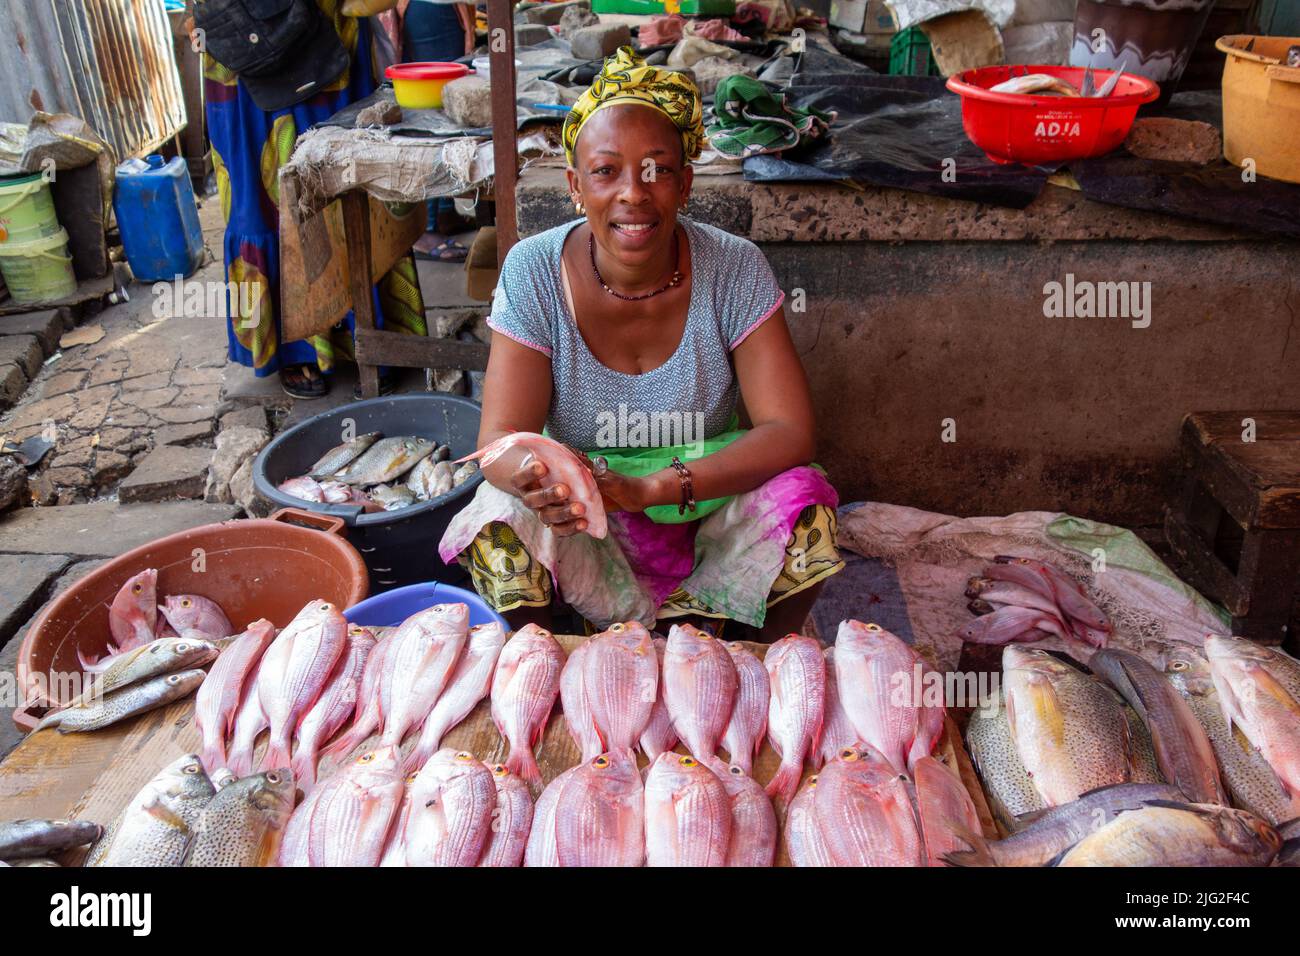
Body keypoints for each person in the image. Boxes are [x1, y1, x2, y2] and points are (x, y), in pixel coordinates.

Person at [439, 47, 842, 641]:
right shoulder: (533, 271)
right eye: (606, 172)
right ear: (576, 186)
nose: (633, 192)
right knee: (497, 520)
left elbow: (789, 431)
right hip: (588, 516)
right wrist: (541, 480)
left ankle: (758, 668)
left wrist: (656, 489)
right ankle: (547, 664)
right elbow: (498, 442)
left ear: (684, 183)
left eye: (656, 170)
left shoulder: (734, 267)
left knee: (807, 511)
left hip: (702, 505)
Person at [204, 0, 428, 398]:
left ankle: (371, 334)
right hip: (241, 37)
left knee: (348, 174)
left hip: (324, 34)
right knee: (261, 196)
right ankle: (294, 349)